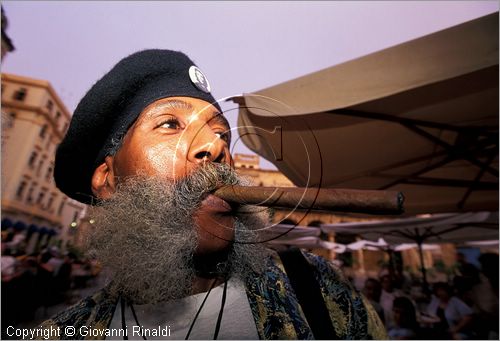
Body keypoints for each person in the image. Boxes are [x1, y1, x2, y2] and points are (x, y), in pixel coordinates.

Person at [35, 50, 386, 339]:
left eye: (222, 134)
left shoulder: (319, 292)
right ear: (108, 179)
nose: (215, 147)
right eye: (170, 124)